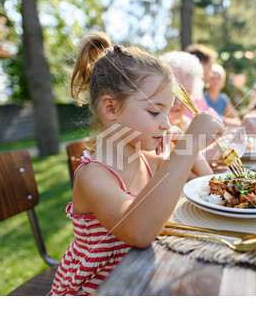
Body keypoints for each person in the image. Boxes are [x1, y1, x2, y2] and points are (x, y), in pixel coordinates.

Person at [49, 33, 224, 296]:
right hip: (96, 292)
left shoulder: (144, 158)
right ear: (111, 108)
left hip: (139, 276)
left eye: (166, 113)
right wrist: (188, 144)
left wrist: (190, 147)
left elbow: (206, 184)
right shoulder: (93, 176)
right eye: (155, 112)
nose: (166, 122)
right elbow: (140, 231)